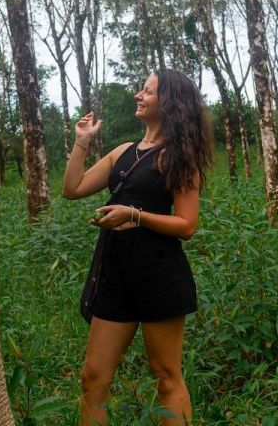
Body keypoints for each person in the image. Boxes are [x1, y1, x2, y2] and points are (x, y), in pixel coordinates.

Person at [63, 69, 212, 426]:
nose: (138, 95)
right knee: (93, 377)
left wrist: (135, 215)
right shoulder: (122, 152)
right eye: (141, 89)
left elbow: (187, 225)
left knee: (166, 376)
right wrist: (81, 140)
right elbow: (73, 188)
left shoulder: (178, 157)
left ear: (169, 103)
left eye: (148, 91)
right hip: (116, 274)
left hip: (159, 274)